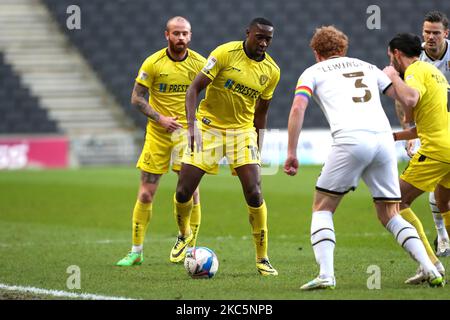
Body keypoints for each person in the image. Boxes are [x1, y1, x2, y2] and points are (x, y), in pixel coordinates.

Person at [284, 26, 444, 290]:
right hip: (383, 140)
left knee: (322, 207)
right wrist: (409, 116)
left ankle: (326, 275)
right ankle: (430, 268)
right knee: (391, 213)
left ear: (316, 52)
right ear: (343, 49)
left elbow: (298, 107)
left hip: (350, 140)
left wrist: (291, 151)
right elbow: (406, 98)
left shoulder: (312, 72)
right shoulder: (368, 67)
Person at [171, 17, 280, 276]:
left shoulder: (272, 71)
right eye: (259, 37)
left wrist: (258, 142)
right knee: (184, 190)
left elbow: (262, 112)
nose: (263, 43)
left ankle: (262, 258)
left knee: (254, 192)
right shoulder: (224, 53)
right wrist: (191, 125)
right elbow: (193, 89)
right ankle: (184, 234)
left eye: (268, 39)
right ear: (248, 34)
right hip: (208, 128)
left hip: (242, 133)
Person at [116, 17, 206, 266]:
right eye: (176, 33)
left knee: (191, 192)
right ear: (166, 35)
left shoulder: (200, 63)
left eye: (185, 34)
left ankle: (190, 246)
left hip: (186, 136)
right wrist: (160, 118)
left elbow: (214, 95)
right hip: (158, 135)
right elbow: (136, 97)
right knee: (146, 194)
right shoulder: (153, 63)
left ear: (190, 36)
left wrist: (197, 124)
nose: (180, 38)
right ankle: (136, 251)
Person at [384, 32, 449, 284]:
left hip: (436, 151)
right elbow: (424, 126)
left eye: (391, 58)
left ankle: (430, 264)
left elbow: (410, 98)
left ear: (397, 54)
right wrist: (394, 137)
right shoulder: (435, 73)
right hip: (448, 145)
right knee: (444, 204)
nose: (391, 64)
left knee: (395, 203)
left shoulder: (414, 71)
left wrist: (391, 78)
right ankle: (431, 263)